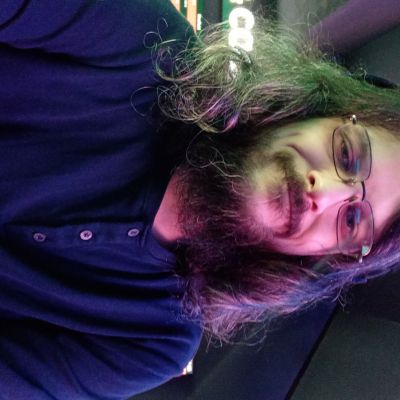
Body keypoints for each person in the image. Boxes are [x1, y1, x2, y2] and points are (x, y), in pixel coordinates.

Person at [0, 1, 399, 399]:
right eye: (347, 154)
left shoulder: (155, 343)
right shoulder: (146, 41)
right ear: (318, 109)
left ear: (326, 255)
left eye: (352, 221)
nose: (324, 191)